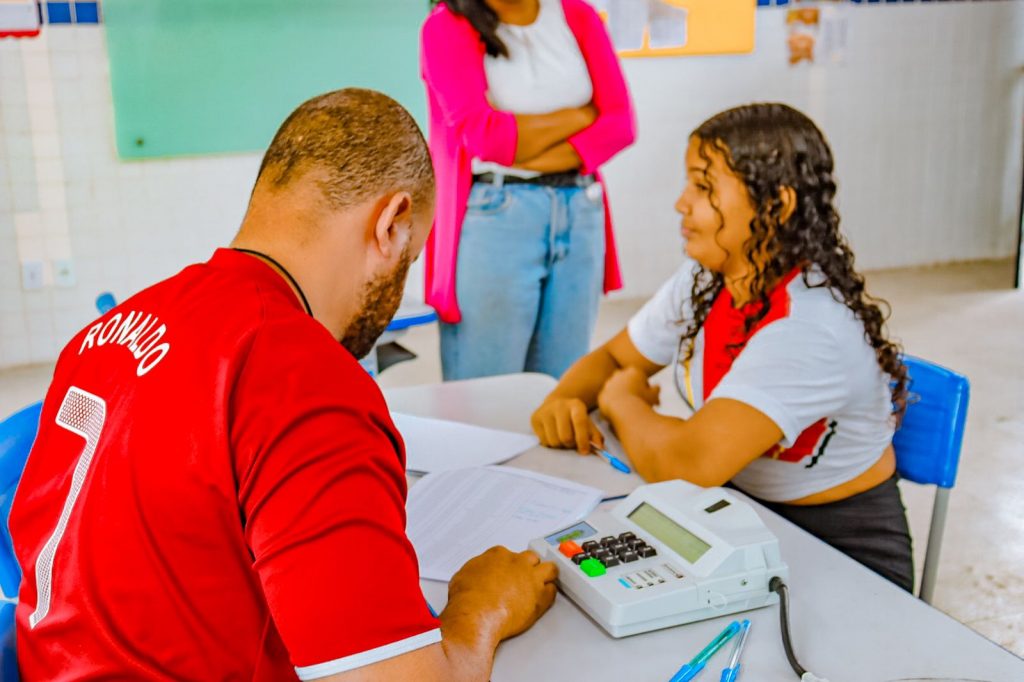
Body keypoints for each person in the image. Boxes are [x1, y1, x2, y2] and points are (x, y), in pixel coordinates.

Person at [11, 89, 557, 681]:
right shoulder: (303, 376)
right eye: (412, 257)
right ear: (392, 224)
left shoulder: (104, 334)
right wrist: (481, 607)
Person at [531, 103, 915, 592]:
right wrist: (565, 398)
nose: (681, 203)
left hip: (842, 553)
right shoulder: (711, 277)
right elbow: (613, 358)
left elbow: (686, 465)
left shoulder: (810, 326)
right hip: (742, 515)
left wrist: (619, 399)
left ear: (777, 204)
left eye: (704, 186)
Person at [420, 0, 636, 380]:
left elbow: (619, 124)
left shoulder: (576, 14)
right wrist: (580, 116)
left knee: (560, 388)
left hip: (580, 209)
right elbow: (482, 136)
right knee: (485, 391)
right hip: (497, 214)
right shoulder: (447, 26)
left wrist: (520, 144)